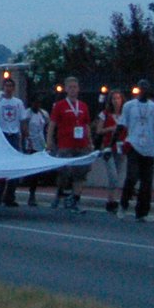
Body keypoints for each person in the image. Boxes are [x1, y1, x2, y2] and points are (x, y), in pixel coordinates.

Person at [118, 81, 154, 222]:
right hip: (133, 144)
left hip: (150, 147)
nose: (144, 89)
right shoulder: (129, 106)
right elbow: (121, 125)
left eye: (146, 87)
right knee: (132, 176)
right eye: (142, 87)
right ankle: (124, 204)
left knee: (147, 182)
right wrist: (111, 145)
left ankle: (142, 212)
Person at [49, 77, 93, 214]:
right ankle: (60, 192)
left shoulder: (83, 106)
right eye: (70, 87)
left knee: (81, 172)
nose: (73, 90)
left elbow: (86, 125)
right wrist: (49, 140)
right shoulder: (60, 106)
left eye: (75, 87)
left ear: (78, 89)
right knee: (64, 171)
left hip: (81, 144)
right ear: (66, 89)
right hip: (65, 144)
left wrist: (90, 142)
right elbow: (52, 124)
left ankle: (75, 199)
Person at [0, 76, 27, 207]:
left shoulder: (18, 103)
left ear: (14, 88)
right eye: (6, 86)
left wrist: (25, 135)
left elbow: (22, 120)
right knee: (2, 165)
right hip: (2, 134)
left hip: (14, 134)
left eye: (10, 86)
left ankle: (10, 195)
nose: (8, 89)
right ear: (3, 87)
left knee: (14, 167)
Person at [96, 89, 128, 215]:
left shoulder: (125, 115)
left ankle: (112, 199)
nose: (116, 101)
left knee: (118, 174)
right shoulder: (105, 114)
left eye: (118, 98)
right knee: (112, 175)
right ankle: (111, 200)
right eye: (114, 98)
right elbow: (99, 130)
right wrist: (111, 128)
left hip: (121, 147)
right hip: (108, 147)